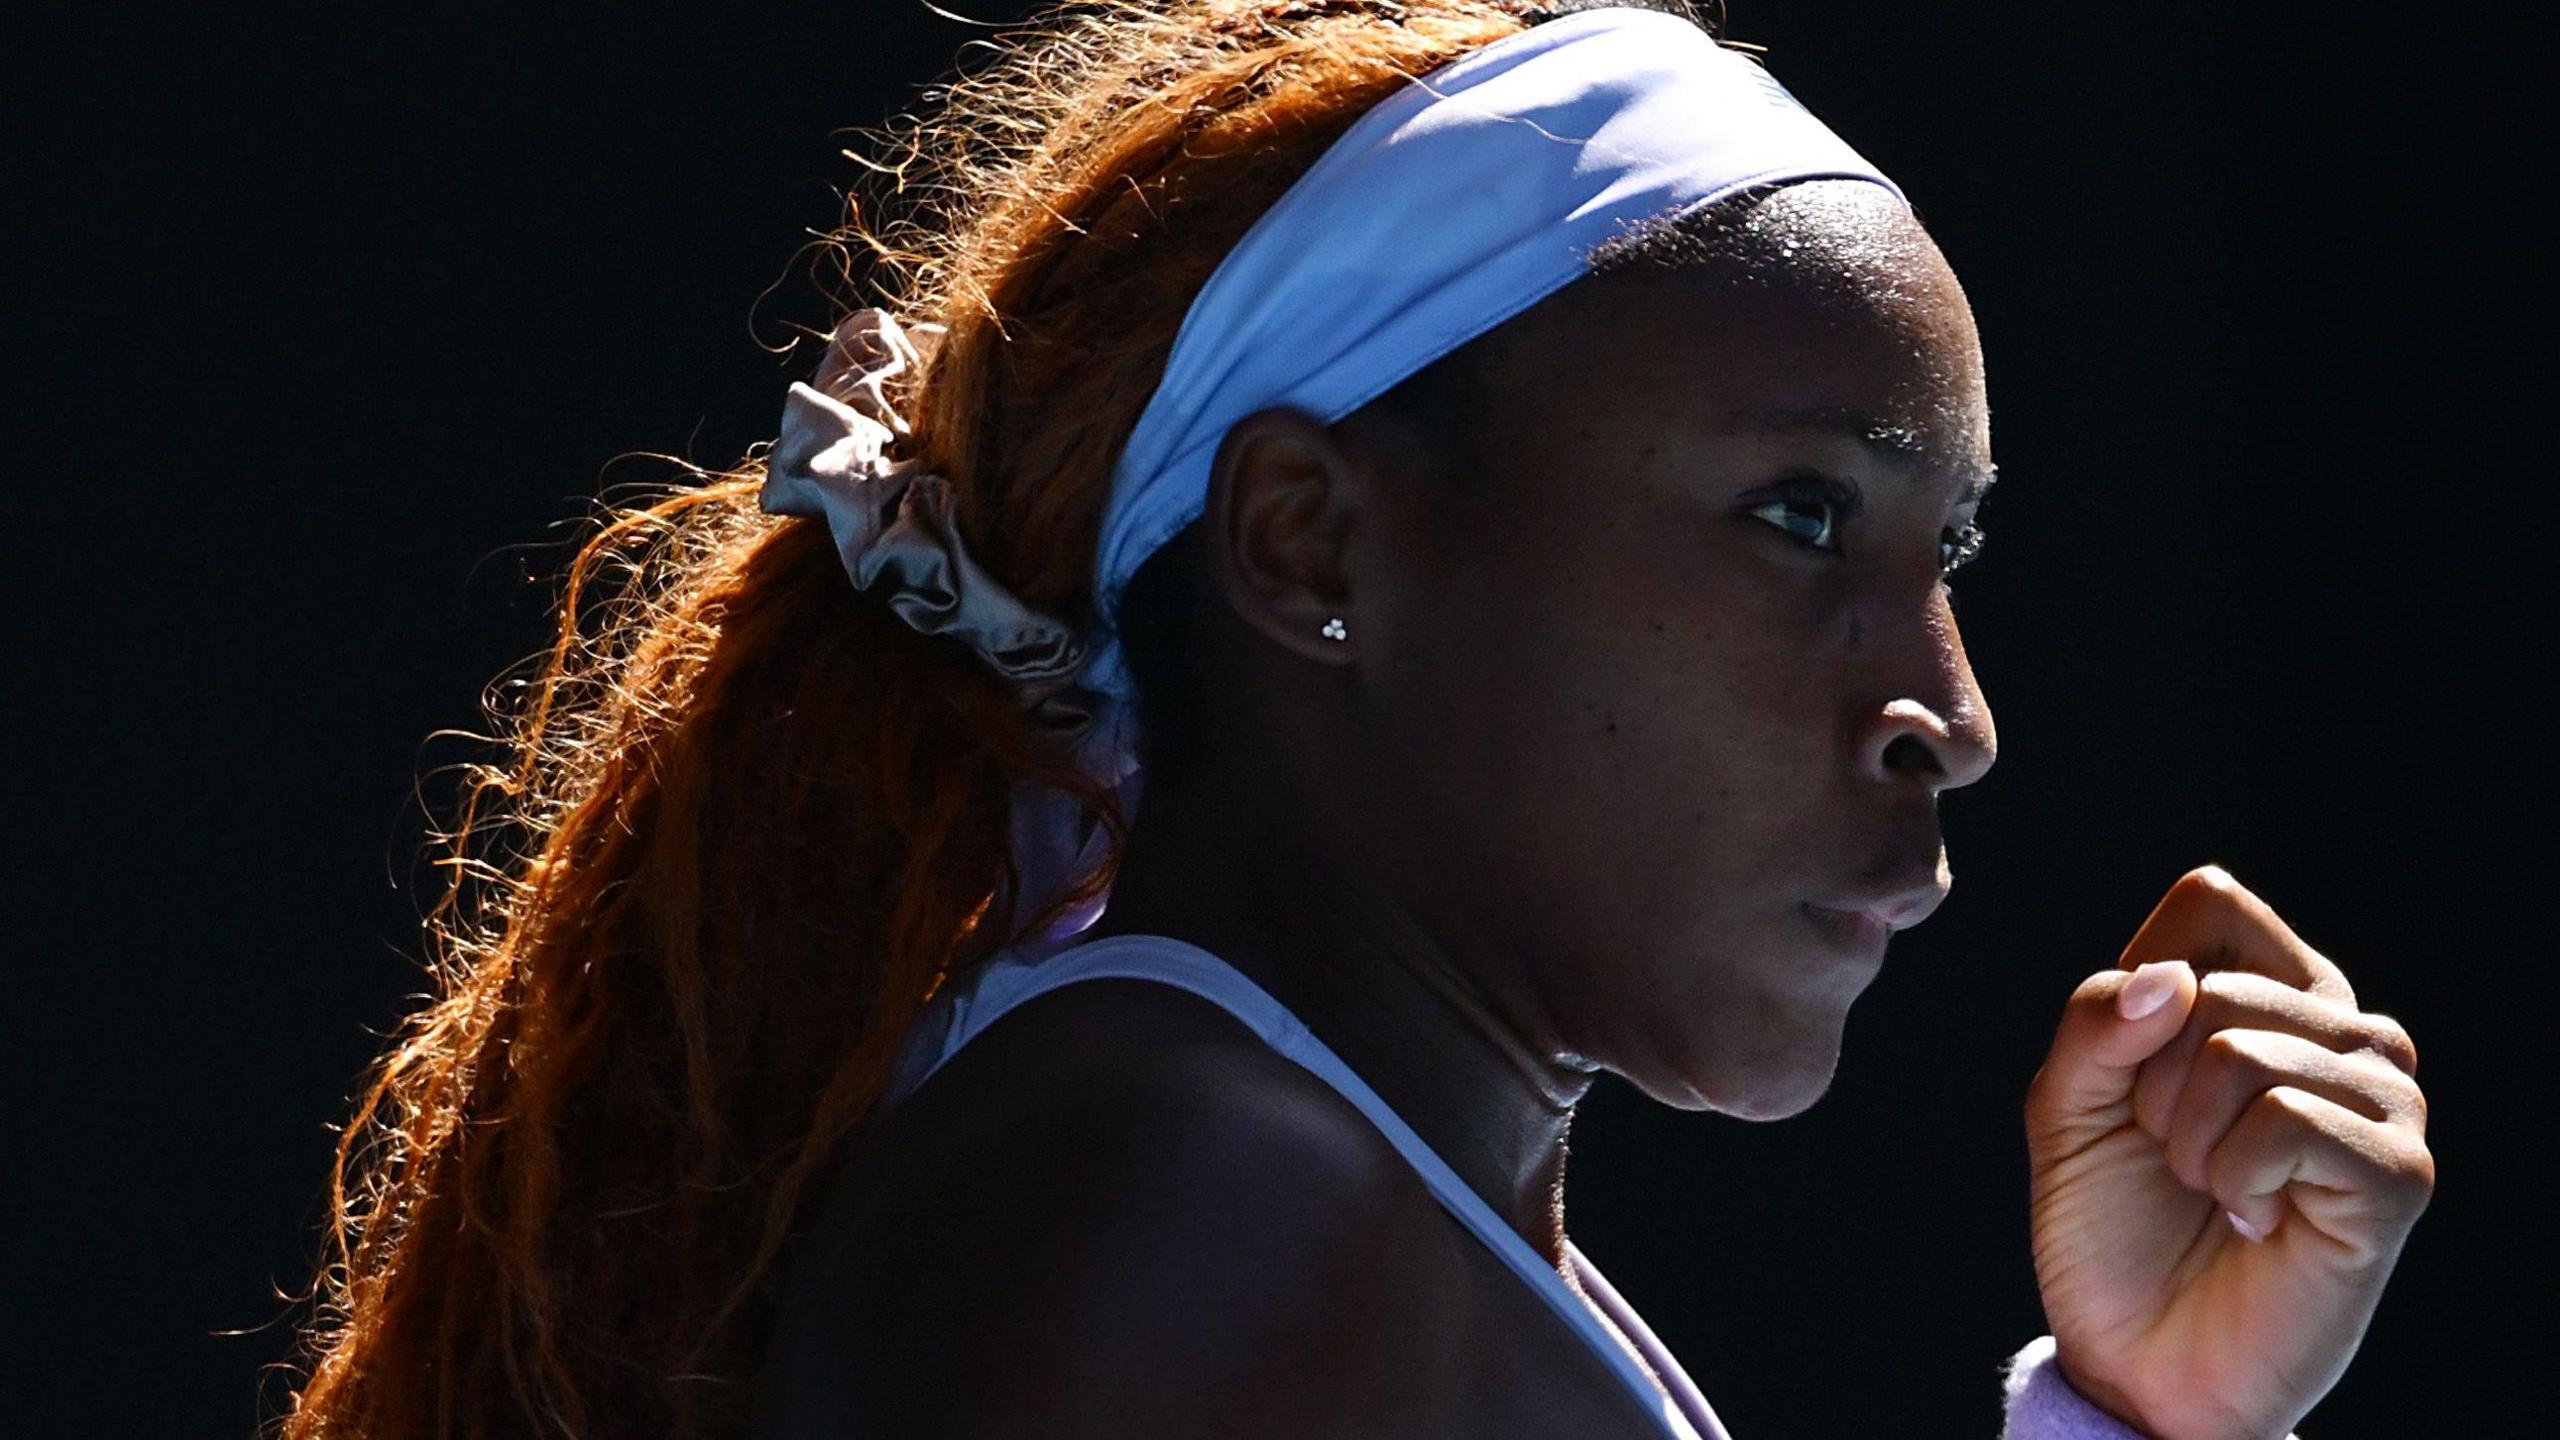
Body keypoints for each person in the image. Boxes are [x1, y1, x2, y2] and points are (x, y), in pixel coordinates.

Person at [273, 3, 2435, 1438]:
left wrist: (2138, 1416)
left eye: (1937, 557)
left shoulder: (1261, 1208)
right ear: (1311, 541)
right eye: (1799, 515)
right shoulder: (1201, 1231)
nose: (1946, 716)